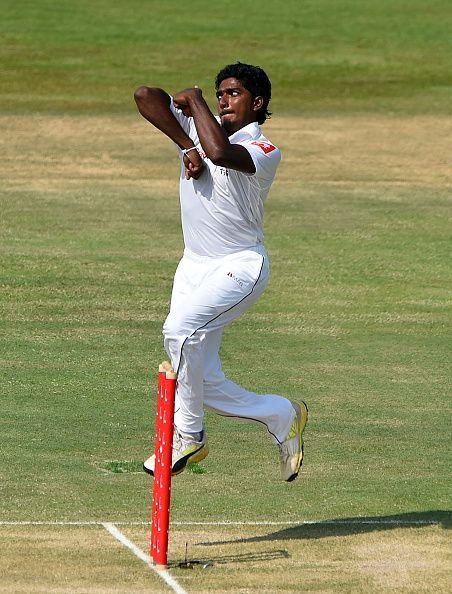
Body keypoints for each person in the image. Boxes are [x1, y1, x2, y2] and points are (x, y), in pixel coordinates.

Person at [134, 62, 308, 482]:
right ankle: (281, 415)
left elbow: (221, 154)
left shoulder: (264, 150)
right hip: (193, 266)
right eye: (218, 94)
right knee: (201, 380)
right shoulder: (198, 130)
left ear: (258, 102)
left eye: (232, 94)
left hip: (240, 267)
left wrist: (194, 104)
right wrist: (184, 145)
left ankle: (189, 436)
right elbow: (145, 95)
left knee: (178, 331)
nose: (223, 100)